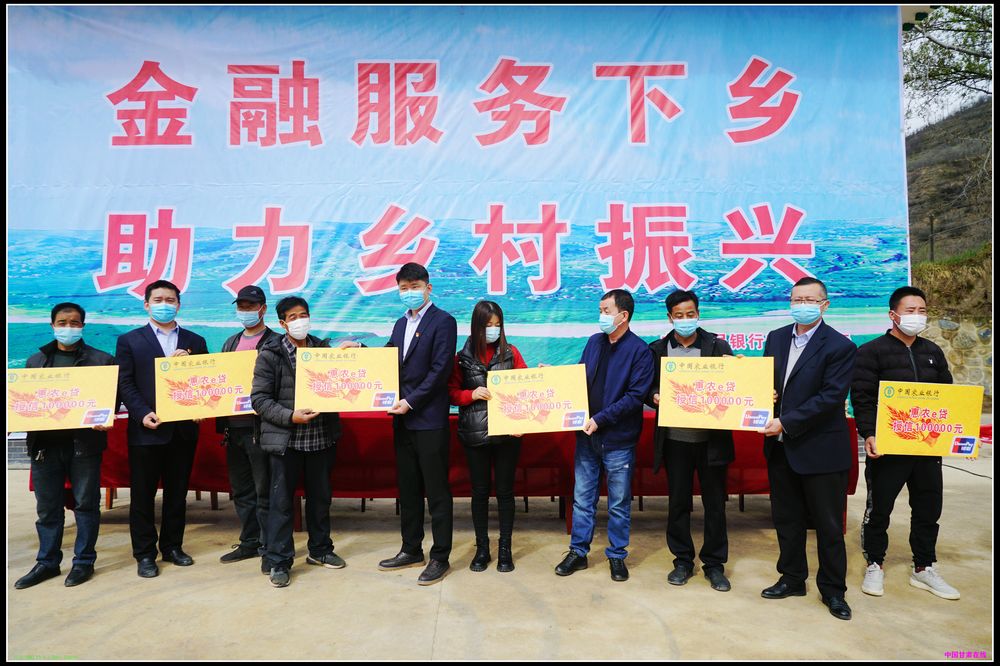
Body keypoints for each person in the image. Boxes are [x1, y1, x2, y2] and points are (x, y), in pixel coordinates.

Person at [342, 262, 457, 585]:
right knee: (408, 489)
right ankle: (411, 549)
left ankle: (440, 556)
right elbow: (389, 360)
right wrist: (360, 351)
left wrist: (411, 401)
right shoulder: (400, 323)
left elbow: (440, 371)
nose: (409, 293)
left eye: (414, 286)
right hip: (402, 420)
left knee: (437, 491)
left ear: (428, 287)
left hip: (428, 420)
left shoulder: (443, 321)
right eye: (404, 288)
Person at [851, 286, 960, 600]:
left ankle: (924, 567)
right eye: (910, 311)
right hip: (889, 447)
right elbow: (862, 398)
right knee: (879, 509)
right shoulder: (871, 352)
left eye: (921, 311)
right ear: (893, 315)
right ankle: (875, 563)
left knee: (928, 508)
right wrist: (869, 434)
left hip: (927, 447)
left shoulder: (932, 351)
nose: (917, 316)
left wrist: (953, 433)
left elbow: (948, 397)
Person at [760, 277, 857, 621]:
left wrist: (785, 421)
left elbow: (830, 398)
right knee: (787, 520)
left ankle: (833, 590)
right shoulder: (775, 338)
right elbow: (767, 384)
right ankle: (792, 578)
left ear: (824, 305)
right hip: (781, 448)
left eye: (810, 300)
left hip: (821, 449)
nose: (802, 305)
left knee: (828, 527)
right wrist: (764, 393)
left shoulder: (840, 346)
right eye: (797, 299)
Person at [555, 289, 654, 582]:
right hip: (587, 437)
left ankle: (617, 555)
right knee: (582, 499)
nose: (601, 316)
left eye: (606, 311)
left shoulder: (640, 351)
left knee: (618, 502)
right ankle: (578, 552)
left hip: (618, 440)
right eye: (600, 310)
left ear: (623, 316)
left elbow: (635, 397)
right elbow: (579, 378)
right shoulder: (594, 342)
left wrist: (600, 419)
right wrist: (555, 379)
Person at [15, 303, 116, 589]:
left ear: (82, 326)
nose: (68, 327)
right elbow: (25, 401)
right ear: (52, 325)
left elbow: (112, 400)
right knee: (48, 509)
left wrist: (104, 416)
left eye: (74, 323)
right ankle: (47, 562)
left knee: (86, 505)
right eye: (62, 322)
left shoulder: (102, 361)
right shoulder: (36, 362)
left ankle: (84, 562)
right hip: (44, 447)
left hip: (84, 446)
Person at [116, 280, 209, 578]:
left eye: (170, 300)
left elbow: (206, 381)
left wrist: (200, 406)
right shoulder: (130, 341)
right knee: (143, 496)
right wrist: (141, 413)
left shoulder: (196, 341)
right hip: (146, 429)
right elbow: (125, 383)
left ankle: (172, 547)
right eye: (158, 300)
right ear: (146, 304)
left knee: (177, 493)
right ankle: (145, 554)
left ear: (179, 304)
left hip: (183, 430)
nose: (164, 304)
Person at [251, 296, 345, 588]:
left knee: (320, 500)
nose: (300, 321)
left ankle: (320, 550)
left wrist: (353, 352)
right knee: (281, 504)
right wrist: (290, 416)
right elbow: (259, 399)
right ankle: (279, 560)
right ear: (282, 323)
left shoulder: (322, 350)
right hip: (286, 441)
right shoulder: (270, 353)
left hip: (320, 439)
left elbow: (351, 375)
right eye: (293, 317)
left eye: (303, 315)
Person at [647, 290, 735, 592]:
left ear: (698, 314)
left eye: (690, 314)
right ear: (669, 317)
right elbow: (647, 387)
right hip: (675, 440)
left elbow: (735, 385)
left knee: (715, 505)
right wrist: (654, 395)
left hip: (712, 440)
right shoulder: (658, 350)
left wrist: (742, 371)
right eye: (679, 315)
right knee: (678, 503)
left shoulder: (717, 346)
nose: (685, 320)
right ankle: (682, 560)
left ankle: (714, 564)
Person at [448, 300, 528, 573]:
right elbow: (451, 392)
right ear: (476, 327)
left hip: (507, 434)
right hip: (475, 433)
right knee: (479, 492)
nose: (493, 330)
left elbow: (527, 388)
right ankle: (482, 548)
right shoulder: (462, 358)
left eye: (497, 325)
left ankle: (505, 548)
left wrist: (540, 377)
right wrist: (470, 394)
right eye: (488, 325)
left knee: (506, 492)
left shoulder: (512, 353)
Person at [217, 285, 278, 570]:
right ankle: (249, 541)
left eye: (251, 306)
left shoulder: (275, 342)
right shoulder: (230, 342)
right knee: (241, 490)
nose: (246, 311)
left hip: (261, 427)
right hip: (233, 428)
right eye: (241, 306)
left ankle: (269, 546)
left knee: (264, 490)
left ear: (263, 309)